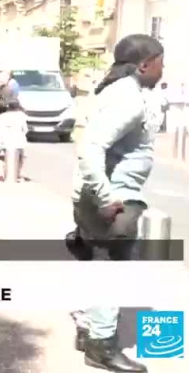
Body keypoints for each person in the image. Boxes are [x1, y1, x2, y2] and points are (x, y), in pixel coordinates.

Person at [69, 34, 164, 373]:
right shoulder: (128, 99)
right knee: (112, 271)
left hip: (95, 196)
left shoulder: (113, 91)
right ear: (144, 64)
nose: (162, 70)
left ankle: (87, 328)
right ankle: (102, 347)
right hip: (114, 199)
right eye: (161, 63)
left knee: (95, 264)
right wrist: (106, 196)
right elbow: (90, 148)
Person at [0, 98, 28, 182]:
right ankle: (20, 174)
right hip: (19, 141)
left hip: (5, 141)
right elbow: (25, 129)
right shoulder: (22, 116)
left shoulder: (2, 116)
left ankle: (0, 174)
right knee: (22, 157)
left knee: (0, 158)